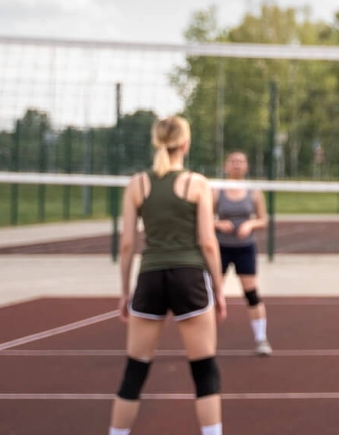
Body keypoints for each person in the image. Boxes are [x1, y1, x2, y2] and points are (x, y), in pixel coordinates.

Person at [110, 116, 228, 435]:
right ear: (185, 144)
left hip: (150, 278)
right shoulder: (197, 183)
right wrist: (218, 289)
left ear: (155, 142)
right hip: (189, 278)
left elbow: (126, 244)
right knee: (204, 369)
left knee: (135, 370)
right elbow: (208, 242)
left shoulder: (137, 184)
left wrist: (124, 291)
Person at [215, 150, 272, 356]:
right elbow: (204, 219)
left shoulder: (254, 192)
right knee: (213, 295)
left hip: (245, 248)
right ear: (226, 166)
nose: (237, 164)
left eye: (240, 161)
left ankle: (261, 339)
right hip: (220, 248)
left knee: (252, 294)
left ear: (246, 166)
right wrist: (218, 224)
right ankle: (207, 339)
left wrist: (250, 224)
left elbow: (263, 219)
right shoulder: (216, 191)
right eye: (232, 161)